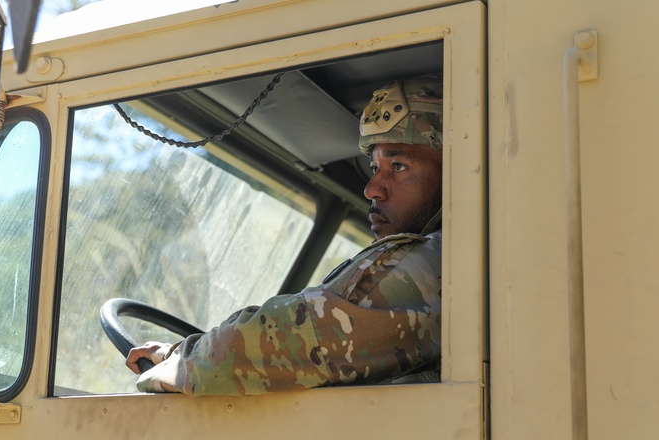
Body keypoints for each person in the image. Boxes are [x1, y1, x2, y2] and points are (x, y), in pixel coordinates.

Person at [127, 76, 444, 395]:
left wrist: (175, 358)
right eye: (374, 168)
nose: (371, 188)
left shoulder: (444, 260)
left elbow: (275, 342)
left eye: (399, 166)